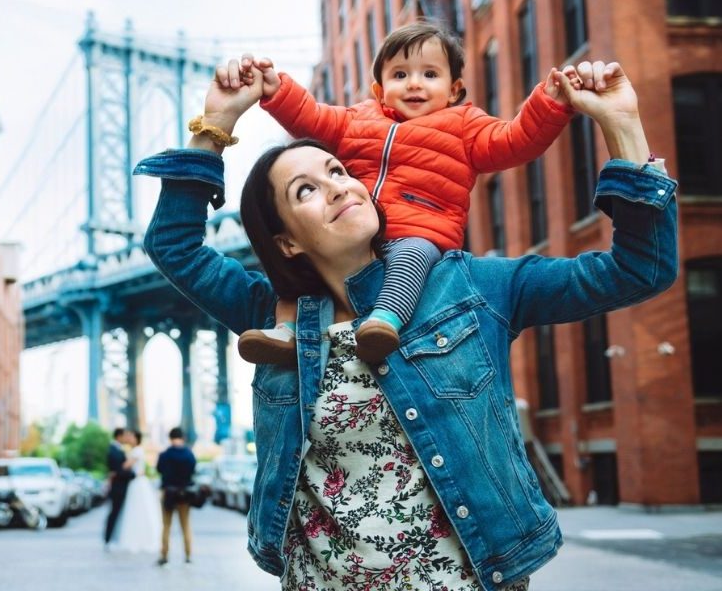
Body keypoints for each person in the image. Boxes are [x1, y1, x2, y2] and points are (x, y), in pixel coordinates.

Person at [134, 57, 677, 590]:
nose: (338, 187)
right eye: (306, 191)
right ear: (287, 242)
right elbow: (174, 246)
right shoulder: (270, 319)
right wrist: (216, 123)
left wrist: (623, 126)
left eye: (338, 172)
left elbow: (639, 270)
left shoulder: (470, 288)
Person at [236, 21, 575, 366]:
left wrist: (549, 104)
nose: (414, 83)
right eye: (400, 75)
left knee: (410, 256)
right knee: (305, 274)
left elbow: (515, 140)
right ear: (380, 89)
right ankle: (285, 332)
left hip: (420, 231)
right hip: (361, 233)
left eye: (430, 74)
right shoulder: (358, 119)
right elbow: (312, 117)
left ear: (454, 89)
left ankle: (384, 321)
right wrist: (278, 91)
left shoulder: (465, 126)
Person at [110, 430, 162, 554]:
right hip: (135, 482)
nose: (128, 438)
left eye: (131, 436)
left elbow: (125, 466)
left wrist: (114, 471)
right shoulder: (134, 451)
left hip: (137, 483)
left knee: (137, 510)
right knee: (135, 510)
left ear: (136, 438)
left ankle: (139, 539)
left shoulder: (137, 451)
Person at [156, 426, 197, 566]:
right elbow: (193, 470)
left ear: (170, 438)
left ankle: (164, 555)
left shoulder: (164, 455)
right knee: (185, 525)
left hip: (168, 493)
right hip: (184, 494)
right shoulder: (189, 454)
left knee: (166, 525)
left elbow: (159, 469)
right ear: (183, 438)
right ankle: (188, 555)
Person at [103, 427, 135, 547]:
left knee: (117, 513)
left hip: (121, 487)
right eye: (125, 436)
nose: (126, 438)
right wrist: (133, 474)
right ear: (119, 436)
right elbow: (118, 471)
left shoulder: (118, 449)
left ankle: (111, 539)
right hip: (118, 488)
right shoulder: (113, 450)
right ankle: (108, 539)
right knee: (114, 513)